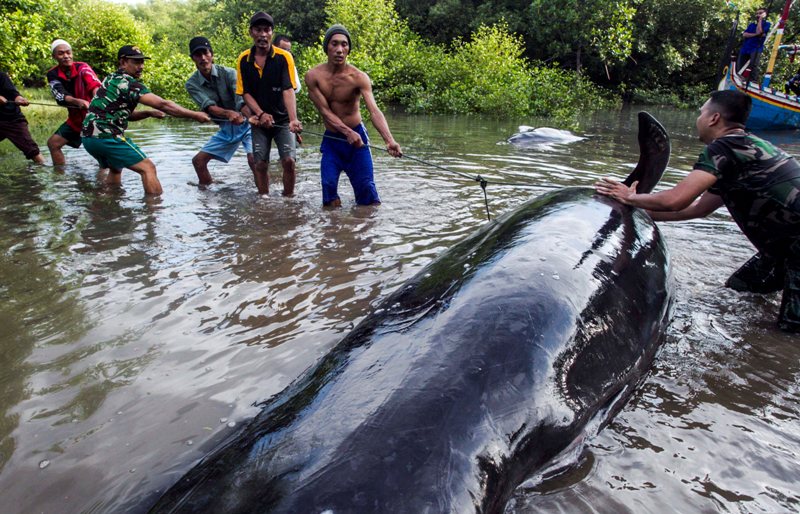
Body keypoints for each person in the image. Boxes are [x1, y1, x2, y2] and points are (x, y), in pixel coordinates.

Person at [595, 90, 800, 332]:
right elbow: (696, 209)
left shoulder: (724, 148)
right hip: (784, 250)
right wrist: (634, 212)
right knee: (741, 289)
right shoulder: (746, 149)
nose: (698, 119)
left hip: (796, 253)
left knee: (789, 335)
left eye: (701, 112)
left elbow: (676, 200)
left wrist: (630, 196)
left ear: (714, 118)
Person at [81, 45, 210, 195]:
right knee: (148, 168)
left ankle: (110, 207)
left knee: (116, 168)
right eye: (136, 62)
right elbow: (164, 104)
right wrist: (195, 114)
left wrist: (148, 113)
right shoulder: (129, 84)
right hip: (106, 136)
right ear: (123, 62)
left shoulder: (110, 79)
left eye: (142, 62)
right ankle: (154, 212)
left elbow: (123, 114)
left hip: (88, 137)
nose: (141, 66)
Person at [305, 24, 402, 207]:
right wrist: (346, 132)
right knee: (328, 185)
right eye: (334, 44)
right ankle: (334, 229)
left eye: (344, 45)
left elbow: (374, 110)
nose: (340, 50)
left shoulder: (358, 77)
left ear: (348, 49)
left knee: (366, 189)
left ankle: (365, 229)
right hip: (333, 140)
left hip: (358, 138)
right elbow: (325, 111)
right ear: (327, 47)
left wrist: (389, 140)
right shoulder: (313, 76)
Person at [236, 12, 302, 196]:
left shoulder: (284, 57)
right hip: (259, 120)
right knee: (260, 163)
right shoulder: (243, 59)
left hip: (282, 120)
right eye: (258, 30)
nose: (263, 34)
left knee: (289, 161)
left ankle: (289, 198)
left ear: (271, 33)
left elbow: (288, 89)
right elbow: (245, 93)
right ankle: (263, 199)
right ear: (251, 32)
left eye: (267, 30)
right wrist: (260, 114)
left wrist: (293, 119)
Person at [185, 36, 255, 186]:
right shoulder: (191, 84)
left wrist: (254, 118)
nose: (203, 58)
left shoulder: (229, 73)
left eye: (206, 53)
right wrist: (228, 114)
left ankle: (263, 195)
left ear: (212, 54)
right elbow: (209, 107)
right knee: (198, 161)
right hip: (227, 127)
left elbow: (241, 101)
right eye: (198, 55)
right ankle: (208, 195)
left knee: (254, 159)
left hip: (247, 123)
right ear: (192, 58)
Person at [46, 39, 102, 166]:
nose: (66, 56)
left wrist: (96, 102)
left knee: (101, 153)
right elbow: (60, 95)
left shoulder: (82, 67)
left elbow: (95, 86)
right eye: (61, 53)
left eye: (68, 52)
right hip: (75, 120)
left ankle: (103, 182)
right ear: (54, 56)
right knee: (53, 144)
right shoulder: (52, 74)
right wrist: (77, 102)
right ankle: (60, 178)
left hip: (94, 118)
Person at [0, 71, 45, 164]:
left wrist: (19, 99)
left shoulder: (1, 76)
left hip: (12, 120)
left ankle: (47, 172)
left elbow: (13, 93)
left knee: (32, 151)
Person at [737, 7, 771, 80]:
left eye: (760, 13)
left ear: (765, 14)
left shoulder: (767, 24)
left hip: (756, 48)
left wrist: (760, 20)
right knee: (740, 65)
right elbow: (745, 34)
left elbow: (759, 32)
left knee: (753, 65)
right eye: (757, 13)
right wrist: (755, 35)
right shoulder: (752, 24)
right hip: (746, 48)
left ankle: (752, 81)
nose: (758, 15)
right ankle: (740, 79)